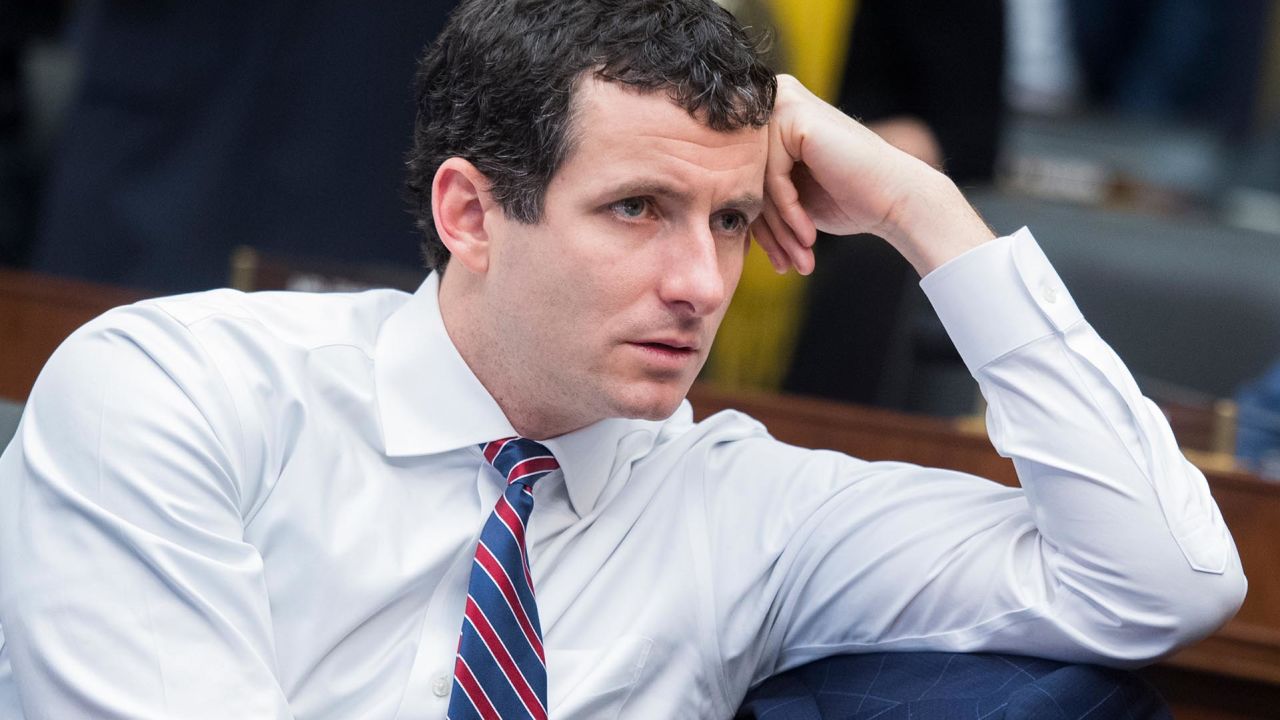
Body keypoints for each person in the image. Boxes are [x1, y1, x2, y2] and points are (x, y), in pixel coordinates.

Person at [0, 1, 1245, 718]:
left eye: (728, 219)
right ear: (470, 213)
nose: (701, 286)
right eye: (636, 210)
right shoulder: (179, 394)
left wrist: (926, 213)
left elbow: (1161, 582)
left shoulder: (740, 505)